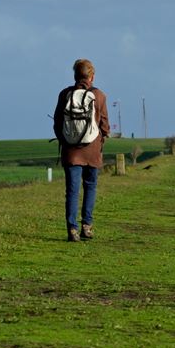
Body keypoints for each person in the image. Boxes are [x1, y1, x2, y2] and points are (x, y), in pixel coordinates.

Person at [53, 59, 110, 242]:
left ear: (75, 76)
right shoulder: (99, 95)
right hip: (92, 150)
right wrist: (101, 139)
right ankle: (87, 226)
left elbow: (57, 123)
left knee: (72, 191)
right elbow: (105, 125)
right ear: (91, 76)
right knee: (90, 187)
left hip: (71, 151)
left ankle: (72, 229)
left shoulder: (65, 94)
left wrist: (66, 141)